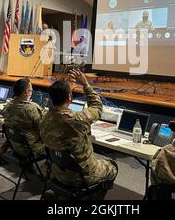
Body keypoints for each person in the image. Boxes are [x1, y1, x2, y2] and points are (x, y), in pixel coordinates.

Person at [40, 69, 118, 197]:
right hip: (80, 177)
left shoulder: (44, 118)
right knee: (112, 166)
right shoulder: (76, 119)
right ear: (69, 97)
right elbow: (97, 108)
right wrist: (86, 85)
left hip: (58, 172)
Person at [3, 78, 46, 157]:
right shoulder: (31, 108)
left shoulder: (8, 105)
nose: (31, 93)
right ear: (27, 92)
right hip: (30, 147)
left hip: (14, 143)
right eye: (31, 91)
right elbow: (43, 127)